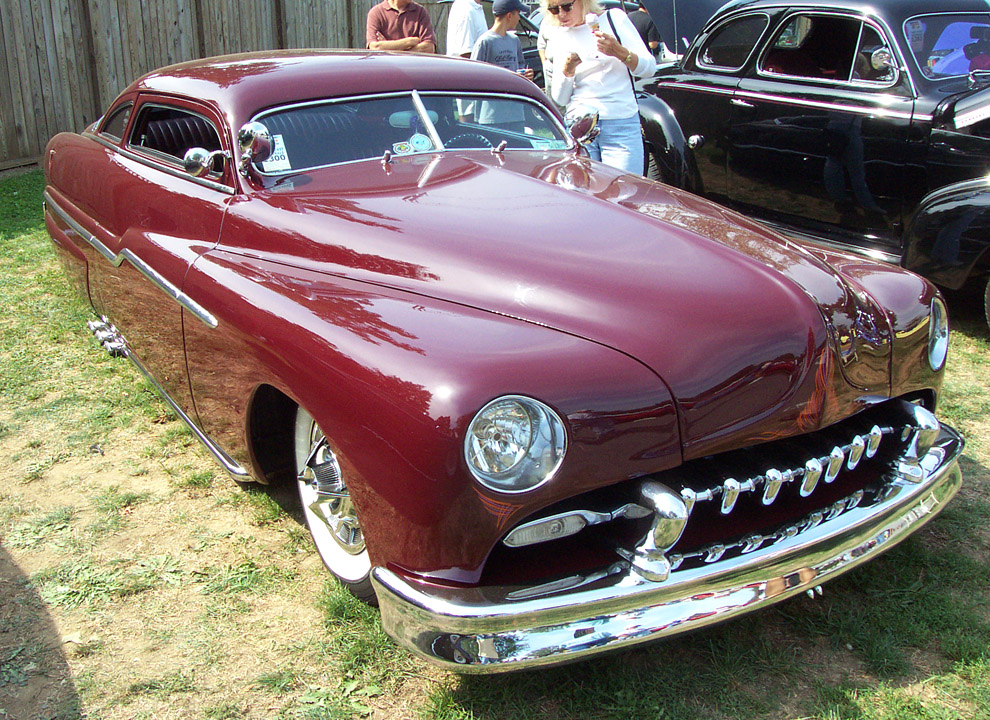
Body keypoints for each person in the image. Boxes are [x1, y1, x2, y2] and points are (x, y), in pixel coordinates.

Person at [543, 0, 656, 173]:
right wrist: (568, 70)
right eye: (553, 10)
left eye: (567, 7)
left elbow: (649, 68)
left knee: (623, 195)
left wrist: (619, 52)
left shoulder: (614, 19)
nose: (561, 14)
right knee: (583, 197)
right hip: (579, 125)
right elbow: (560, 98)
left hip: (620, 123)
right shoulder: (559, 34)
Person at [471, 0, 537, 133]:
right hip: (491, 115)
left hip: (516, 113)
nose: (519, 18)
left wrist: (526, 76)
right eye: (518, 13)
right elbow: (474, 76)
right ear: (509, 15)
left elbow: (520, 66)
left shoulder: (514, 40)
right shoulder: (485, 41)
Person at [367, 0, 437, 53]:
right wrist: (409, 42)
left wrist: (389, 47)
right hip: (387, 68)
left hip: (413, 68)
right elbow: (375, 47)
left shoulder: (420, 12)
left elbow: (429, 48)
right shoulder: (376, 13)